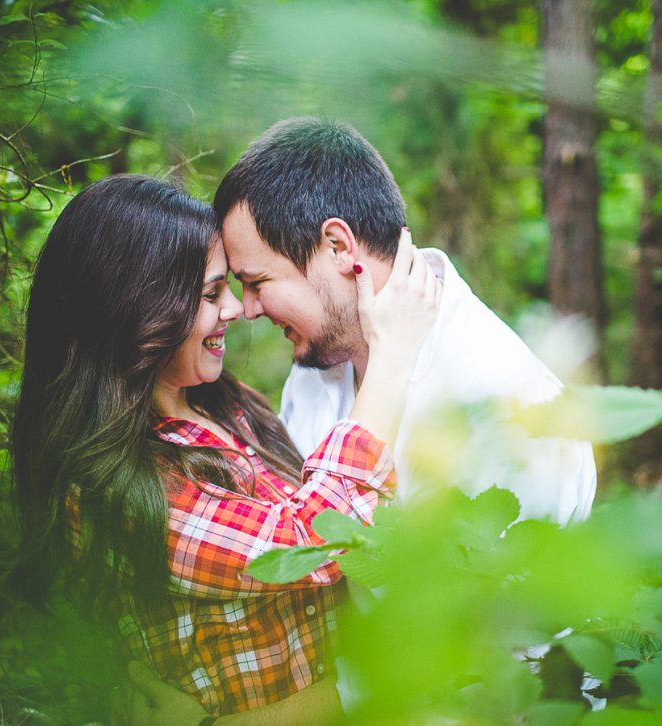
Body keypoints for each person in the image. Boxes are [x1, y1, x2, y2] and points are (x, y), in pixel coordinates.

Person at [10, 174, 440, 719]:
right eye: (213, 293)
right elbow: (311, 542)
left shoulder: (223, 405)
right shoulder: (111, 486)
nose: (236, 309)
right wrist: (393, 354)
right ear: (138, 311)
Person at [213, 117, 597, 525]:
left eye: (257, 282)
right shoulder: (319, 363)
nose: (248, 309)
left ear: (338, 247)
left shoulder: (510, 405)